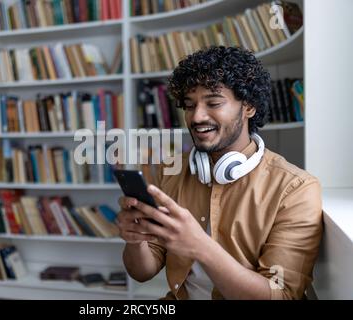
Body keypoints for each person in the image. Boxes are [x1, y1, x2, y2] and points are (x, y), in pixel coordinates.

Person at [116, 46, 323, 300]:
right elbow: (142, 272)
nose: (197, 116)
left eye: (213, 102)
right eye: (189, 105)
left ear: (248, 107)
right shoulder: (171, 172)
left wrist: (200, 245)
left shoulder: (296, 189)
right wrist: (134, 239)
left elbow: (280, 295)